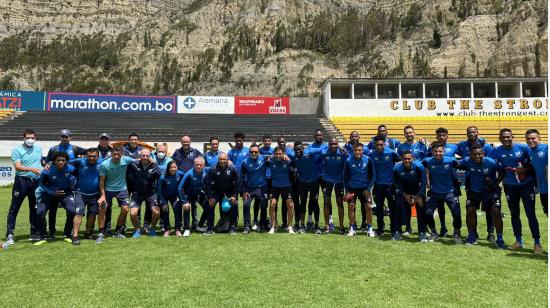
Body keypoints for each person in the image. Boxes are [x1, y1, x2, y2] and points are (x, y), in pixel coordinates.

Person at [490, 129, 542, 254]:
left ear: (512, 136)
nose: (506, 139)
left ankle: (537, 243)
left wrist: (523, 170)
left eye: (508, 136)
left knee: (531, 214)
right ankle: (518, 241)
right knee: (514, 214)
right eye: (503, 137)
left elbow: (533, 165)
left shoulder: (523, 148)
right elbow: (489, 163)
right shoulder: (497, 151)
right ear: (500, 138)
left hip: (526, 186)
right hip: (510, 186)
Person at [458, 144, 505, 248]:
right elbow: (457, 166)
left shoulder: (491, 162)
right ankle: (472, 236)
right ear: (470, 155)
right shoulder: (466, 161)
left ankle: (500, 238)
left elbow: (502, 172)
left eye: (479, 154)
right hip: (474, 190)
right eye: (474, 154)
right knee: (470, 210)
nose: (477, 156)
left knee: (496, 212)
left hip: (490, 191)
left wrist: (495, 184)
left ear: (483, 154)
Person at [45, 129, 86, 240]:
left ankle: (67, 232)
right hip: (54, 183)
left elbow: (88, 152)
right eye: (63, 136)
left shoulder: (74, 148)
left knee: (71, 209)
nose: (64, 138)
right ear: (60, 137)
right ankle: (52, 232)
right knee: (52, 210)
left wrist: (79, 159)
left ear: (70, 137)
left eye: (66, 136)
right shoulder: (53, 149)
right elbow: (47, 161)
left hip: (70, 183)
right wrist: (47, 164)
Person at [457, 126, 494, 241]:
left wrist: (493, 182)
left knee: (489, 209)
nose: (472, 134)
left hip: (486, 181)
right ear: (466, 134)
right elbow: (459, 163)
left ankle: (491, 233)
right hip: (471, 181)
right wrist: (461, 177)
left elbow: (492, 163)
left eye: (474, 132)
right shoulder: (462, 145)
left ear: (478, 133)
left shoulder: (486, 146)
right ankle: (473, 233)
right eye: (469, 132)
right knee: (471, 208)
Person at [5, 129, 42, 245]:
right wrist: (31, 169)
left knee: (34, 208)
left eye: (32, 137)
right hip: (21, 181)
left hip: (35, 182)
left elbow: (40, 163)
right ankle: (10, 234)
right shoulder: (17, 150)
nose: (30, 140)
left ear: (35, 138)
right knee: (14, 208)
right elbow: (17, 167)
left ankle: (34, 233)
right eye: (27, 137)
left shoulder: (39, 148)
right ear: (23, 138)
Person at [423, 142, 462, 244]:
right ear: (432, 152)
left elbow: (465, 167)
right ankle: (434, 233)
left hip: (450, 192)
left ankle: (456, 233)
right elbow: (417, 165)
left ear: (444, 151)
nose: (438, 153)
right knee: (427, 213)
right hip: (434, 192)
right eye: (436, 151)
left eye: (440, 151)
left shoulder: (452, 161)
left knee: (457, 214)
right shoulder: (427, 161)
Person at [34, 152, 76, 246]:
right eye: (58, 160)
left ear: (66, 162)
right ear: (54, 162)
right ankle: (43, 236)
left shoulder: (71, 169)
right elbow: (41, 184)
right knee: (40, 212)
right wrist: (52, 192)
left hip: (65, 194)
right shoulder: (47, 171)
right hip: (49, 193)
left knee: (72, 211)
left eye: (63, 160)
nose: (61, 162)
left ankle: (67, 235)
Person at [96, 146, 135, 243]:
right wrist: (102, 195)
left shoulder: (126, 160)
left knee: (125, 209)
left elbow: (139, 159)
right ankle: (101, 233)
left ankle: (118, 231)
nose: (116, 156)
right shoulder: (104, 164)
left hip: (122, 189)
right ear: (111, 154)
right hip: (108, 189)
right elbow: (101, 181)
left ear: (122, 154)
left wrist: (150, 158)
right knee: (102, 208)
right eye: (114, 154)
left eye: (118, 154)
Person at [427, 127, 459, 238]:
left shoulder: (454, 149)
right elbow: (422, 165)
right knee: (435, 209)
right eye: (439, 135)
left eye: (443, 135)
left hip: (450, 186)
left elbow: (464, 163)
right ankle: (440, 229)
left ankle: (455, 232)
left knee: (456, 213)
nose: (441, 137)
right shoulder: (429, 157)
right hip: (435, 187)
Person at [393, 150, 430, 242]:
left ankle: (422, 232)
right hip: (403, 188)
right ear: (401, 158)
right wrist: (404, 194)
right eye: (405, 159)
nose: (407, 160)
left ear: (412, 158)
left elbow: (424, 182)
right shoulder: (396, 167)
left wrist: (418, 196)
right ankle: (398, 231)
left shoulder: (419, 166)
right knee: (399, 207)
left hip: (416, 188)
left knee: (421, 209)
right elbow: (395, 183)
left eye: (409, 158)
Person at [396, 125, 428, 235]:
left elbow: (426, 159)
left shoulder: (422, 145)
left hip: (419, 177)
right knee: (406, 204)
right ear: (404, 134)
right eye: (407, 133)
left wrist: (426, 177)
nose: (409, 134)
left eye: (411, 132)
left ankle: (424, 228)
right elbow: (399, 162)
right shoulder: (401, 147)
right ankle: (408, 227)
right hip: (406, 178)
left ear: (414, 133)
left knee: (421, 203)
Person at [368, 135, 400, 238]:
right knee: (379, 208)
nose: (379, 147)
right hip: (378, 186)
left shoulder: (391, 152)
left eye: (381, 144)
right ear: (374, 145)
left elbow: (400, 163)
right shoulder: (371, 155)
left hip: (390, 186)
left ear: (384, 144)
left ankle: (394, 229)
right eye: (377, 145)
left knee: (392, 208)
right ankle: (380, 228)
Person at [127, 149, 162, 238]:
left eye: (147, 156)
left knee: (156, 213)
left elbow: (161, 176)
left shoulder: (154, 166)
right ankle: (137, 229)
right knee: (133, 213)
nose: (145, 157)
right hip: (137, 194)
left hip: (151, 194)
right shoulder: (133, 164)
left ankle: (152, 228)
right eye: (143, 155)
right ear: (140, 156)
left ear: (150, 156)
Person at [69, 148, 102, 244]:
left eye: (94, 156)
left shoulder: (102, 162)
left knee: (92, 214)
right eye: (89, 156)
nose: (91, 158)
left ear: (98, 156)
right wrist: (49, 163)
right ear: (86, 156)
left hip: (95, 194)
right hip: (80, 193)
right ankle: (75, 235)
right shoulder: (79, 162)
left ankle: (88, 233)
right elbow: (64, 162)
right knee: (79, 212)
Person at [343, 143, 375, 237]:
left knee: (368, 207)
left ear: (362, 150)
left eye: (359, 150)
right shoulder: (348, 161)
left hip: (365, 188)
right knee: (351, 206)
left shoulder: (368, 160)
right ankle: (352, 228)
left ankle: (369, 228)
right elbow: (345, 177)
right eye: (356, 150)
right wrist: (347, 191)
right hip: (352, 188)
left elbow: (373, 175)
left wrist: (368, 189)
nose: (357, 152)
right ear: (353, 150)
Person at [204, 153, 241, 235]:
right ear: (218, 160)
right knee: (209, 205)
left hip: (229, 191)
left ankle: (232, 228)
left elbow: (238, 182)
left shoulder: (232, 168)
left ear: (227, 160)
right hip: (217, 191)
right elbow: (207, 183)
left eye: (224, 159)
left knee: (234, 204)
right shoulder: (213, 168)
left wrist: (234, 195)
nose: (222, 161)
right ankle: (210, 228)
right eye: (220, 159)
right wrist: (210, 197)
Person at [172, 135, 203, 230]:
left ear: (190, 142)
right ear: (181, 142)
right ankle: (182, 224)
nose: (185, 143)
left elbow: (202, 162)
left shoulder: (196, 152)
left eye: (187, 141)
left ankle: (194, 224)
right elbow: (173, 164)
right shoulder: (177, 152)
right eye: (184, 141)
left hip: (192, 181)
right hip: (181, 182)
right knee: (182, 203)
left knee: (193, 204)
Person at [293, 141, 323, 234]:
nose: (298, 151)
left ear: (303, 148)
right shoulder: (293, 156)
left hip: (314, 182)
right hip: (302, 183)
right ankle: (302, 226)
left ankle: (317, 226)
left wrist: (338, 146)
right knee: (303, 203)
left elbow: (322, 149)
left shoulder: (309, 153)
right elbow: (282, 152)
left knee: (314, 202)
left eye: (300, 149)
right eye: (296, 149)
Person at [320, 138, 347, 234]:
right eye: (331, 144)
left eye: (335, 144)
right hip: (327, 179)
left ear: (338, 144)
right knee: (326, 202)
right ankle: (327, 226)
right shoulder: (323, 152)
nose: (333, 146)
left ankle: (341, 226)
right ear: (328, 144)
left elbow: (349, 160)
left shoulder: (343, 153)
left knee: (339, 202)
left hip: (339, 180)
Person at [241, 145, 269, 234]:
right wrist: (244, 191)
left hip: (262, 187)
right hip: (249, 188)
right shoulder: (245, 162)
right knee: (246, 205)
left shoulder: (264, 159)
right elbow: (242, 177)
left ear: (259, 152)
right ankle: (247, 226)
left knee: (264, 206)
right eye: (251, 152)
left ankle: (262, 225)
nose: (253, 153)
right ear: (249, 152)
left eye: (255, 152)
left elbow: (275, 156)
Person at [178, 158, 209, 236]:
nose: (198, 166)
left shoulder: (206, 170)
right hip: (188, 194)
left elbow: (215, 167)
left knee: (208, 207)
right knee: (187, 208)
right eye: (197, 165)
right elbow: (180, 187)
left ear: (204, 165)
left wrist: (229, 163)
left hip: (199, 193)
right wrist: (184, 201)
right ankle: (186, 229)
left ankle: (199, 225)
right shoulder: (189, 173)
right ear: (194, 165)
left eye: (200, 165)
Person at [268, 147, 295, 234]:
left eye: (280, 154)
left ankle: (290, 226)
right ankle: (273, 226)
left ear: (283, 153)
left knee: (290, 204)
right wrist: (270, 156)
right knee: (272, 204)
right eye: (276, 154)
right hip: (275, 186)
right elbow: (260, 156)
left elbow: (295, 163)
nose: (278, 156)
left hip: (286, 185)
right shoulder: (270, 160)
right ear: (274, 154)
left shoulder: (288, 161)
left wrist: (289, 158)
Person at [306, 130, 328, 230]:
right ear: (314, 136)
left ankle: (329, 221)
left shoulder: (327, 145)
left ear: (322, 136)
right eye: (317, 135)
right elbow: (307, 153)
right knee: (313, 198)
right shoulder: (310, 146)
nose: (318, 136)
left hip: (325, 176)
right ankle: (310, 220)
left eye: (320, 135)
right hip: (313, 176)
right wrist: (320, 150)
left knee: (326, 199)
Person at [158, 161, 185, 237]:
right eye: (171, 167)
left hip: (175, 196)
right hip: (164, 196)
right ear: (168, 168)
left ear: (177, 167)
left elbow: (187, 179)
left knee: (177, 209)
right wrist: (163, 202)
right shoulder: (163, 177)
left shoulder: (180, 174)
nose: (173, 169)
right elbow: (159, 190)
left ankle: (177, 229)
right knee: (165, 210)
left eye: (174, 167)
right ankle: (167, 230)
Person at [525, 129, 548, 216]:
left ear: (539, 138)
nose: (530, 141)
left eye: (533, 138)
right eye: (528, 139)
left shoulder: (546, 149)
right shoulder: (530, 152)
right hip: (543, 190)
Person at [256, 135, 274, 231]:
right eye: (265, 141)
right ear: (263, 141)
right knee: (262, 202)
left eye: (269, 141)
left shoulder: (274, 151)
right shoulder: (259, 151)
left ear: (271, 142)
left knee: (273, 201)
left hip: (272, 179)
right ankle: (260, 222)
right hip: (262, 179)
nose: (267, 142)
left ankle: (273, 222)